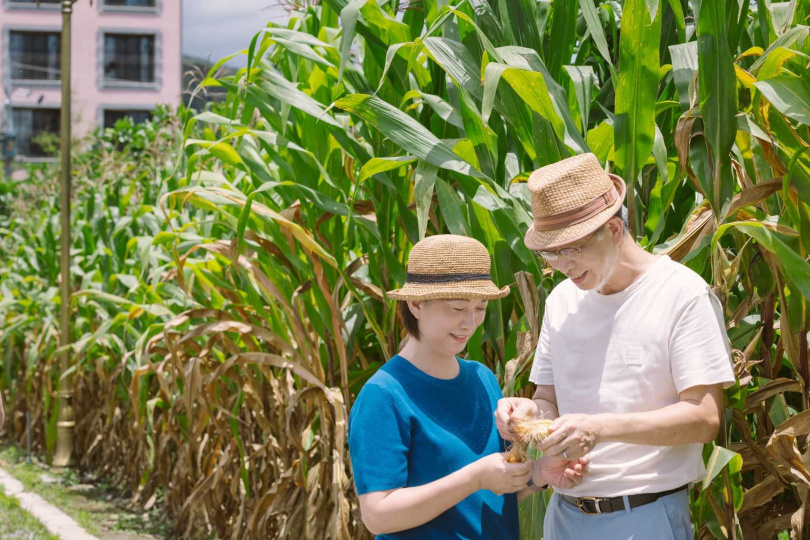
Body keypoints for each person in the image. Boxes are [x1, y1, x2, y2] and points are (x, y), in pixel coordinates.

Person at [495, 154, 736, 539]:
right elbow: (548, 398)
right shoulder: (561, 300)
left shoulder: (682, 294)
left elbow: (705, 418)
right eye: (550, 253)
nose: (561, 265)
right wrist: (529, 414)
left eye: (570, 250)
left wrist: (601, 428)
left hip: (644, 516)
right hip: (562, 514)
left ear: (613, 229)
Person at [349, 234, 589, 539]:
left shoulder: (482, 378)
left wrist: (538, 476)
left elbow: (492, 493)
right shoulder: (384, 394)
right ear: (416, 304)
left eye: (480, 307)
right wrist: (474, 478)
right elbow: (378, 516)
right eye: (458, 308)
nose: (471, 323)